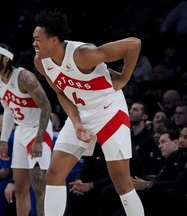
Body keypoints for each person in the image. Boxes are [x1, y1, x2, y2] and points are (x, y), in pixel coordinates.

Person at [33, 10, 144, 216]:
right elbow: (61, 92)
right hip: (81, 113)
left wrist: (124, 78)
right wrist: (76, 123)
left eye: (38, 40)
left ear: (54, 40)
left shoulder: (82, 55)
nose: (34, 44)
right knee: (54, 174)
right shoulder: (41, 62)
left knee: (121, 181)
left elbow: (134, 44)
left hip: (108, 111)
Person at [0, 43, 53, 216]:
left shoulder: (24, 78)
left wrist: (39, 140)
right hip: (20, 131)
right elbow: (8, 110)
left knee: (39, 188)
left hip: (38, 128)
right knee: (20, 187)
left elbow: (46, 107)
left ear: (6, 58)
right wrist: (3, 140)